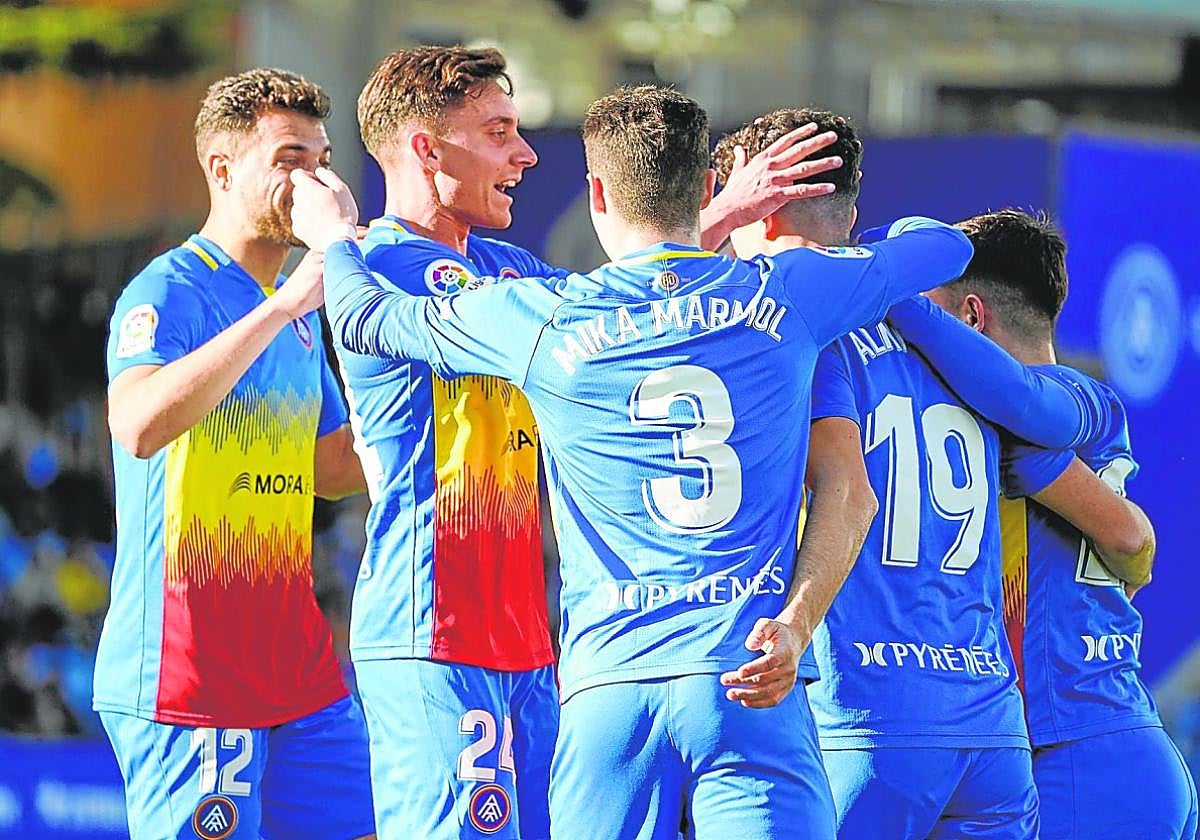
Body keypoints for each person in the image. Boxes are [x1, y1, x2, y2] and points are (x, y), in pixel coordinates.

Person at [291, 84, 973, 840]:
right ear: (707, 188)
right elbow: (948, 249)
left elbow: (361, 317)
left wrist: (335, 240)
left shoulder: (547, 316)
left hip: (610, 691)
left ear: (597, 193)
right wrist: (822, 249)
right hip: (744, 675)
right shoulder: (789, 293)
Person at [713, 110, 1126, 839]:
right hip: (990, 733)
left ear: (764, 211)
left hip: (868, 721)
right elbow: (1052, 427)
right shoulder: (956, 345)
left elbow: (846, 491)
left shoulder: (794, 331)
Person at [98, 68, 373, 840]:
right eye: (288, 158)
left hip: (298, 666)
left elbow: (329, 467)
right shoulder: (169, 289)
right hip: (189, 672)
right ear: (222, 169)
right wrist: (285, 305)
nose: (311, 179)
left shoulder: (295, 305)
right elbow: (139, 424)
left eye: (321, 158)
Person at [887, 209, 1199, 839]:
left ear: (972, 317)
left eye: (934, 313)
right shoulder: (1034, 414)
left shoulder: (1043, 408)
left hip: (1077, 759)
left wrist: (891, 294)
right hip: (1097, 744)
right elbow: (1133, 544)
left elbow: (1129, 537)